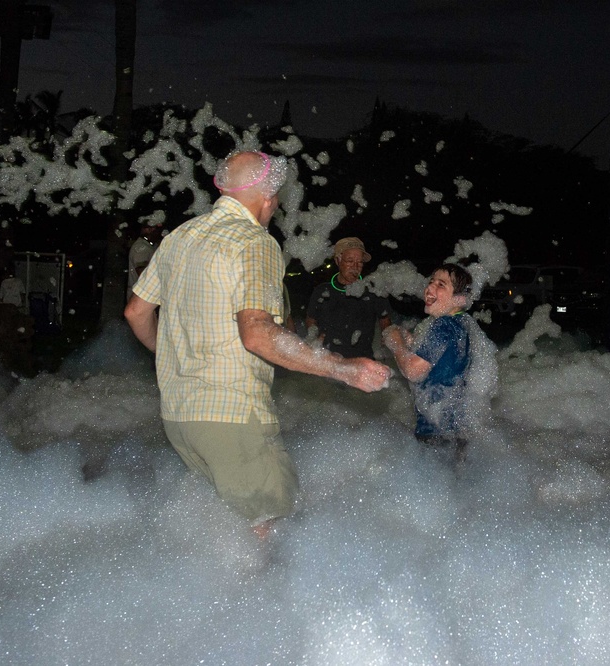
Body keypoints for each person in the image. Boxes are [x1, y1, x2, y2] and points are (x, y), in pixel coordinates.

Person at [124, 151, 392, 540]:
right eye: (277, 197)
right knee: (274, 537)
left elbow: (135, 312)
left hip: (180, 416)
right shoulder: (255, 242)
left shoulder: (179, 237)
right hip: (232, 414)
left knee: (223, 535)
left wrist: (168, 356)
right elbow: (257, 333)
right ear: (268, 199)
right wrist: (344, 368)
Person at [383, 263, 477, 461]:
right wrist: (409, 341)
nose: (430, 287)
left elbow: (413, 371)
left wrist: (395, 342)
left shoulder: (443, 325)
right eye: (431, 281)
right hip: (455, 428)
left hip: (436, 432)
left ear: (459, 298)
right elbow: (439, 358)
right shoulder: (460, 323)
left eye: (441, 285)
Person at [306, 237, 392, 358]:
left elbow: (385, 322)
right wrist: (314, 339)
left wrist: (388, 343)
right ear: (338, 260)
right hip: (328, 362)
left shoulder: (374, 291)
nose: (355, 266)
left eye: (360, 262)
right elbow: (311, 319)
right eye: (350, 261)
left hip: (362, 362)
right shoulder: (322, 291)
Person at [127, 223, 163, 301]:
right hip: (141, 298)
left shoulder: (152, 246)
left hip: (146, 297)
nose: (160, 232)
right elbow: (143, 274)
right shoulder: (141, 248)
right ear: (148, 229)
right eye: (156, 228)